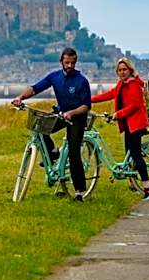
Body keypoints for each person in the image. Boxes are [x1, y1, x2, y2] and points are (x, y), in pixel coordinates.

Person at [12, 47, 92, 201]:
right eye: (67, 62)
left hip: (77, 117)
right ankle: (53, 152)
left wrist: (72, 113)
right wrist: (20, 97)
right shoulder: (54, 77)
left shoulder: (82, 81)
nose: (69, 66)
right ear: (61, 61)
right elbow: (35, 88)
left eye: (72, 63)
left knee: (74, 152)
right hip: (61, 113)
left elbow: (86, 106)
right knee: (40, 126)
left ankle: (79, 191)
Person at [91, 57, 149, 200]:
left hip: (136, 124)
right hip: (128, 125)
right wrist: (89, 100)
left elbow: (134, 106)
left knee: (136, 155)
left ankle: (147, 186)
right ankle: (133, 183)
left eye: (124, 69)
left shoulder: (133, 85)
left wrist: (117, 114)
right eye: (119, 70)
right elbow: (109, 95)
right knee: (129, 154)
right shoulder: (122, 84)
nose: (122, 72)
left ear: (130, 70)